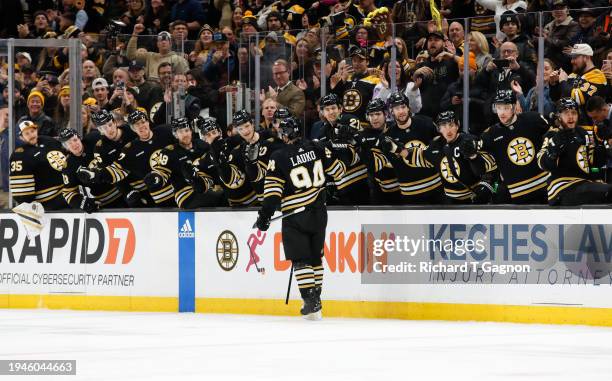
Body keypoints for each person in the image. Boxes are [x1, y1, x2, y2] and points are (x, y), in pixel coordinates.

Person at [253, 116, 346, 320]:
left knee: (301, 259)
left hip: (295, 215)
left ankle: (310, 300)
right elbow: (339, 172)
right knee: (315, 257)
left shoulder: (278, 156)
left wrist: (264, 217)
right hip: (320, 212)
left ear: (285, 133)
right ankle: (317, 299)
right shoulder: (318, 146)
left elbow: (271, 194)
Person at [77, 110, 176, 208]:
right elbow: (114, 172)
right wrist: (127, 190)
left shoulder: (131, 129)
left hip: (156, 178)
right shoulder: (100, 149)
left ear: (115, 122)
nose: (108, 130)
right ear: (99, 130)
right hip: (133, 184)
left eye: (110, 125)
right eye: (103, 128)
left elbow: (152, 136)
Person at [394, 110, 497, 204]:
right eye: (443, 126)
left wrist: (474, 156)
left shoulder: (470, 140)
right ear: (439, 129)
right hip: (450, 201)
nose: (448, 129)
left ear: (457, 125)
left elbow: (489, 167)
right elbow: (418, 157)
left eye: (451, 125)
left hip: (474, 197)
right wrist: (396, 149)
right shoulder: (434, 146)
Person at [476, 89, 549, 204]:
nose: (502, 112)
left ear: (514, 107)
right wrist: (472, 155)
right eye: (498, 108)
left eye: (506, 107)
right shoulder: (489, 135)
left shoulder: (533, 119)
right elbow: (484, 166)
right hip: (517, 195)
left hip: (545, 189)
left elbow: (552, 135)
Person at [537, 98, 612, 206]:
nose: (571, 116)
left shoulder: (583, 133)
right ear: (559, 116)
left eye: (573, 113)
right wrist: (553, 152)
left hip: (583, 183)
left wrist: (603, 145)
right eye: (566, 113)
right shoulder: (553, 135)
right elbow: (541, 163)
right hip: (562, 187)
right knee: (608, 191)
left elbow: (593, 162)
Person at [381, 91, 444, 204]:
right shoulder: (387, 137)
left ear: (408, 107)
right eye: (396, 108)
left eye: (403, 106)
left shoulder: (426, 123)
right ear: (391, 111)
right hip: (410, 193)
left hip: (437, 188)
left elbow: (440, 149)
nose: (401, 111)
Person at [146, 117, 222, 208]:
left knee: (224, 195)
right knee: (216, 197)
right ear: (175, 135)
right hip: (185, 194)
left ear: (191, 131)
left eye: (187, 130)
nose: (185, 134)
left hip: (207, 187)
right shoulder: (170, 152)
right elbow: (162, 172)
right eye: (180, 132)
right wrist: (156, 178)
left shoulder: (202, 145)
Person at [59, 128, 123, 213]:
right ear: (66, 147)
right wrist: (83, 203)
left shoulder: (94, 138)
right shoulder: (68, 166)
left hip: (123, 190)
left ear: (79, 138)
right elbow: (68, 193)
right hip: (103, 204)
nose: (74, 144)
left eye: (75, 140)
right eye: (69, 143)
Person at [9, 120, 67, 210]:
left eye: (32, 131)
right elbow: (22, 193)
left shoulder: (49, 141)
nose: (31, 135)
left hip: (66, 192)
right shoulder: (20, 155)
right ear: (21, 137)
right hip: (48, 201)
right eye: (27, 133)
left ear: (36, 130)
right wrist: (30, 207)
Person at [355, 98, 401, 204]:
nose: (374, 118)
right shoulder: (363, 135)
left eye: (377, 114)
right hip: (378, 190)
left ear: (385, 114)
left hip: (402, 187)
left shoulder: (396, 129)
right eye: (371, 115)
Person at [549, 43, 608, 125]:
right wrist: (554, 83)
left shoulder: (597, 76)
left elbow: (577, 99)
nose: (572, 61)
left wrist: (563, 81)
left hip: (588, 128)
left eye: (575, 57)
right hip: (569, 126)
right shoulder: (573, 75)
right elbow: (557, 99)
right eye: (572, 58)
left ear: (586, 57)